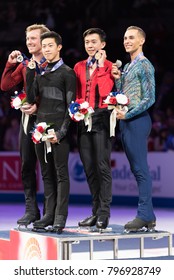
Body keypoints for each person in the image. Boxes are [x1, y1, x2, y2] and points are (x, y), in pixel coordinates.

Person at [26, 31, 76, 232]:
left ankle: (60, 216)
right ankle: (48, 214)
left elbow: (71, 106)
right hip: (40, 129)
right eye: (43, 46)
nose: (46, 50)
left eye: (49, 46)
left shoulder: (67, 72)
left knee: (61, 174)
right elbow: (31, 98)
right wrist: (30, 73)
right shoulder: (41, 72)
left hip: (58, 131)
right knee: (46, 174)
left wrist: (62, 133)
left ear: (59, 47)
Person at [0, 23, 50, 227]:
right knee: (27, 165)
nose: (29, 42)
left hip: (48, 119)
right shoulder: (24, 64)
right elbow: (5, 86)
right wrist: (10, 64)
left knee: (48, 167)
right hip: (27, 120)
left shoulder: (52, 65)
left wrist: (39, 106)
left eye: (34, 38)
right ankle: (31, 209)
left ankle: (50, 209)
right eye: (28, 38)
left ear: (45, 41)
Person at [112, 26, 156, 232]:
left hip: (137, 120)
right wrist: (117, 78)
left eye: (131, 38)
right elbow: (124, 93)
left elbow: (149, 98)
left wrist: (128, 114)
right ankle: (148, 215)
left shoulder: (145, 65)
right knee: (137, 169)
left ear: (141, 41)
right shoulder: (129, 66)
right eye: (124, 38)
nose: (127, 41)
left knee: (140, 170)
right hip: (127, 120)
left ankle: (145, 214)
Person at [74, 28, 115, 230]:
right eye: (87, 42)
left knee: (101, 165)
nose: (90, 45)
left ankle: (104, 213)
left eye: (93, 42)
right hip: (84, 120)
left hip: (101, 118)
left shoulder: (109, 66)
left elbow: (106, 91)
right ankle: (95, 211)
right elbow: (76, 93)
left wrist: (100, 66)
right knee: (89, 167)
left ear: (103, 45)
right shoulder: (78, 66)